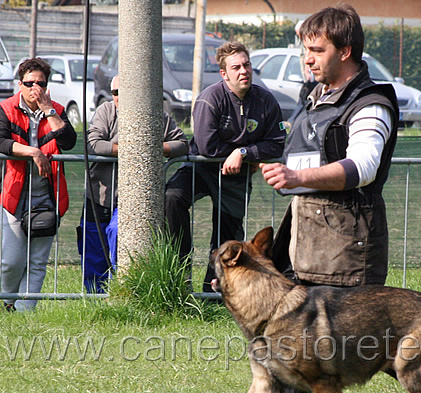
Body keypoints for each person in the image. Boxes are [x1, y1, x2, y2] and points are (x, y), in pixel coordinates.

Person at [224, 4, 421, 393]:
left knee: (376, 351)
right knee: (289, 344)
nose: (307, 58)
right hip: (304, 238)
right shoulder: (315, 95)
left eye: (316, 49)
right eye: (305, 49)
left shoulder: (371, 104)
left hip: (348, 246)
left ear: (345, 51)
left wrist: (298, 178)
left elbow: (363, 166)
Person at [165, 41, 286, 292]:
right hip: (201, 167)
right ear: (224, 74)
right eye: (236, 67)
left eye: (247, 65)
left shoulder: (265, 101)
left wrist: (244, 153)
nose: (244, 71)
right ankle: (179, 269)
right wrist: (240, 153)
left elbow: (276, 144)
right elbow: (207, 147)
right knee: (172, 197)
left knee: (226, 235)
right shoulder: (210, 98)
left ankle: (212, 292)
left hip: (236, 176)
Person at [79, 75, 189, 293]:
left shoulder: (156, 115)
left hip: (132, 199)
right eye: (116, 93)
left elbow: (182, 144)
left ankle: (121, 291)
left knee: (118, 233)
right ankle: (94, 302)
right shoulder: (106, 112)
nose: (120, 97)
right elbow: (94, 145)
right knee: (92, 252)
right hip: (98, 195)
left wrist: (155, 148)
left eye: (125, 92)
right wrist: (135, 150)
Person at [0, 57, 76, 311]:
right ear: (19, 84)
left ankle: (24, 312)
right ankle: (8, 301)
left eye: (40, 83)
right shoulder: (6, 108)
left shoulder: (57, 110)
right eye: (29, 82)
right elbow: (1, 142)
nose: (35, 88)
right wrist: (34, 152)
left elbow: (68, 142)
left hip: (49, 195)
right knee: (11, 260)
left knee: (37, 261)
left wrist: (49, 110)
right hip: (14, 194)